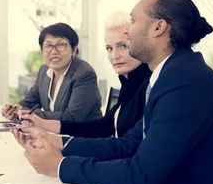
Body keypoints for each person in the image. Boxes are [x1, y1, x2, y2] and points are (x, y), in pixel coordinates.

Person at [15, 0, 213, 184]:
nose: (127, 30)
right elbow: (128, 144)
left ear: (159, 28)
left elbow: (141, 174)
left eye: (133, 21)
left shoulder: (184, 82)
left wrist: (60, 166)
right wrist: (59, 143)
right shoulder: (172, 75)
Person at [20, 12, 151, 138]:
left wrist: (62, 148)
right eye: (109, 49)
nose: (115, 56)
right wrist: (42, 124)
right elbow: (103, 127)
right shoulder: (128, 83)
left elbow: (128, 147)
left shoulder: (149, 87)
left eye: (123, 46)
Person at [2, 23, 102, 122]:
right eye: (48, 45)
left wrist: (28, 113)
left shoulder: (84, 74)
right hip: (54, 136)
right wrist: (14, 110)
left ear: (74, 50)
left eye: (60, 45)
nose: (53, 51)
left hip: (83, 136)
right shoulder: (44, 71)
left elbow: (71, 118)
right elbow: (29, 102)